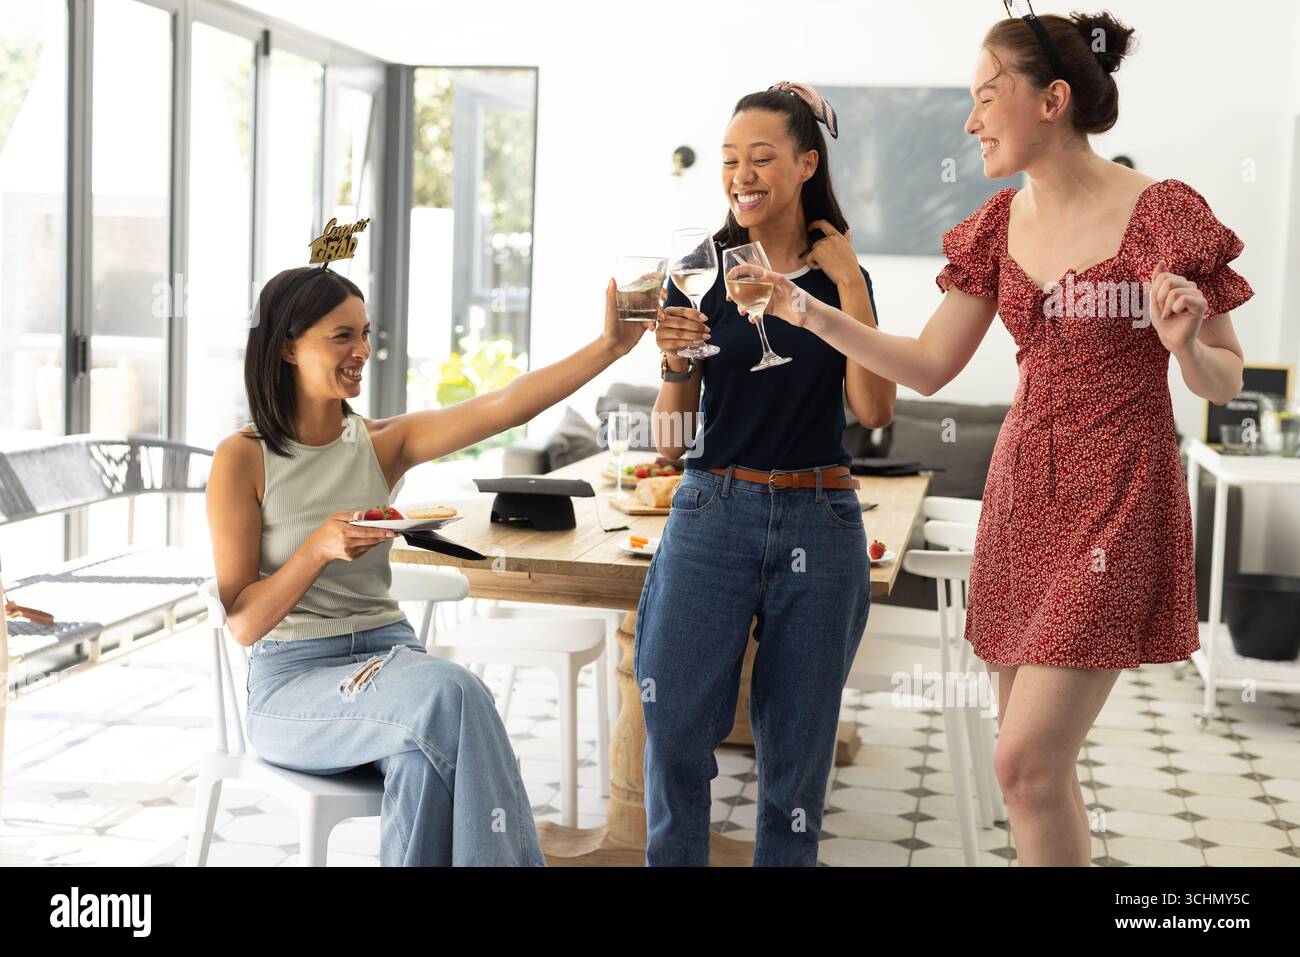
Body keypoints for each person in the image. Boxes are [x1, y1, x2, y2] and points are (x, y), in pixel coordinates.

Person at [742, 12, 1251, 865]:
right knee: (1030, 775)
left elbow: (1224, 379)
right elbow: (930, 364)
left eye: (986, 97)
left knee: (1024, 760)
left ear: (1053, 99)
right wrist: (805, 307)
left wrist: (1188, 345)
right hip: (1021, 500)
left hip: (1119, 497)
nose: (971, 120)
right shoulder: (995, 227)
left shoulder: (1163, 214)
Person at [205, 263, 648, 865]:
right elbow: (242, 623)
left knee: (424, 758)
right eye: (342, 335)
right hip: (293, 688)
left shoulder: (382, 443)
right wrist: (316, 549)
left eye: (365, 333)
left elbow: (506, 406)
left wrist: (611, 347)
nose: (362, 350)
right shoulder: (242, 459)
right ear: (288, 346)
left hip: (393, 667)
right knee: (454, 692)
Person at [635, 82, 897, 866]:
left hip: (821, 515)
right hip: (714, 509)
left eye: (760, 158)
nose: (741, 175)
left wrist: (850, 286)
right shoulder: (699, 270)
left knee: (797, 748)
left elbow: (875, 410)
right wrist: (675, 358)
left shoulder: (840, 276)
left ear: (806, 163)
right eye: (728, 161)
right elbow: (671, 438)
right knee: (676, 726)